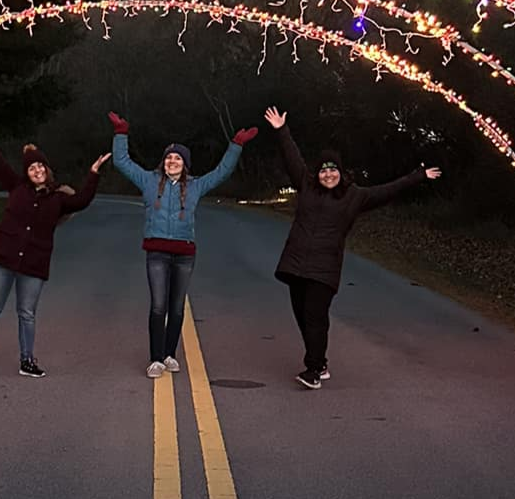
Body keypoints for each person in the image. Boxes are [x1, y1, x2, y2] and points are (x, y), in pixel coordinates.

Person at [264, 106, 442, 390]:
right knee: (301, 315)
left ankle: (312, 369)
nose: (328, 174)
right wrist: (281, 130)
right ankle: (320, 362)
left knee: (315, 315)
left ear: (340, 172)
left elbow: (387, 190)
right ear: (317, 173)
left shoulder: (354, 196)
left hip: (325, 269)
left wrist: (417, 176)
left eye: (333, 169)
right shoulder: (306, 186)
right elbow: (292, 158)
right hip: (296, 264)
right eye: (323, 170)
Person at [0, 112, 111, 381]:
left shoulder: (57, 199)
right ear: (26, 173)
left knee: (26, 314)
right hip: (2, 259)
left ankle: (27, 361)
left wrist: (93, 173)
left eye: (40, 167)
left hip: (34, 264)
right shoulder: (15, 186)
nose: (37, 171)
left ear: (46, 169)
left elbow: (83, 200)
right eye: (32, 168)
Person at [109, 111, 258, 378]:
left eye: (177, 158)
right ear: (163, 162)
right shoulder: (149, 181)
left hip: (184, 254)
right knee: (158, 305)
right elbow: (121, 162)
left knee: (176, 306)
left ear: (185, 164)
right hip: (156, 252)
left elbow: (222, 172)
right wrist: (121, 133)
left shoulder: (196, 186)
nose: (172, 161)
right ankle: (155, 359)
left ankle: (169, 354)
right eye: (169, 158)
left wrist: (236, 145)